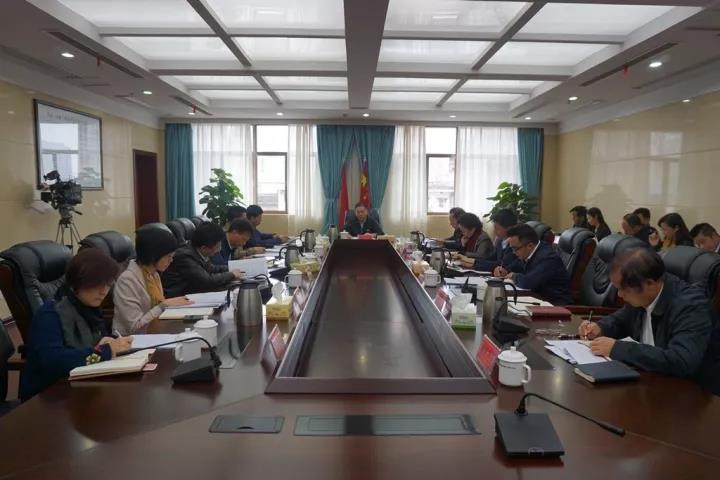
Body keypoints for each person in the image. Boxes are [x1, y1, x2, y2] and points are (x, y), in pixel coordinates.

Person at [578, 247, 712, 378]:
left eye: (623, 289)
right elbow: (620, 319)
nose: (619, 294)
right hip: (648, 376)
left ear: (650, 284)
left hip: (685, 387)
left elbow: (681, 361)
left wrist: (618, 349)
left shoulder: (691, 307)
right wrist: (600, 327)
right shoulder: (642, 295)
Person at [19, 249, 133, 401]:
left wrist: (107, 341)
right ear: (78, 282)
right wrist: (105, 350)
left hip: (81, 387)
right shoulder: (50, 314)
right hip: (47, 398)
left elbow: (95, 341)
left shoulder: (89, 308)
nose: (104, 291)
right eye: (97, 285)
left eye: (107, 285)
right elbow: (52, 361)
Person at [113, 229, 193, 335]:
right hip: (131, 339)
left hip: (154, 332)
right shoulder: (127, 280)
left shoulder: (153, 273)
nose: (171, 260)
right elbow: (134, 327)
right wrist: (163, 306)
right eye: (168, 256)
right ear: (153, 255)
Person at [162, 222, 243, 297]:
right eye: (217, 247)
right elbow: (207, 281)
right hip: (177, 297)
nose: (219, 249)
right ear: (204, 248)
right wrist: (231, 275)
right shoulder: (184, 256)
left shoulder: (197, 250)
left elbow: (211, 268)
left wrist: (234, 268)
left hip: (192, 292)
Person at [497, 224, 572, 305]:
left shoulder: (547, 258)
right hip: (538, 300)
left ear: (530, 246)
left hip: (556, 305)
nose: (513, 252)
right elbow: (516, 266)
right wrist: (504, 270)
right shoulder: (530, 252)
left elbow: (528, 282)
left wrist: (513, 276)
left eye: (515, 249)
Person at [469, 208, 518, 273]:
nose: (494, 231)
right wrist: (472, 262)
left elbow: (502, 264)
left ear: (509, 228)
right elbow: (491, 258)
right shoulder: (500, 241)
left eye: (497, 228)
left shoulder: (515, 244)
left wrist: (473, 262)